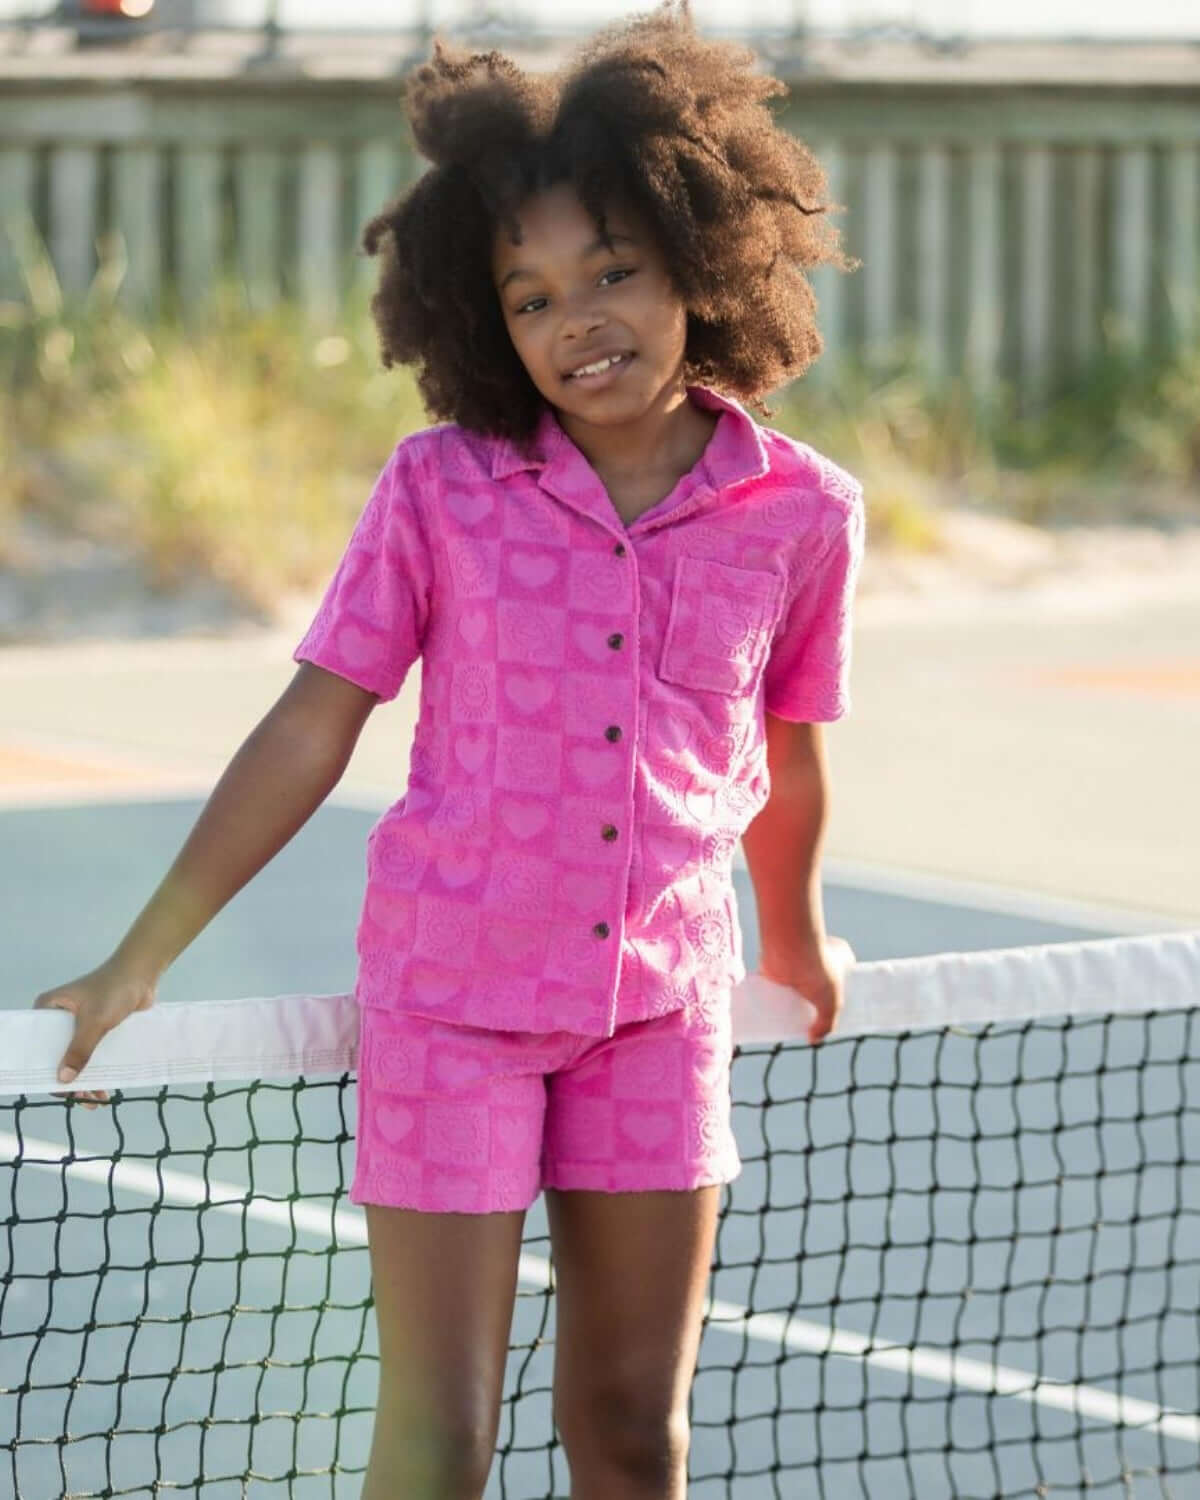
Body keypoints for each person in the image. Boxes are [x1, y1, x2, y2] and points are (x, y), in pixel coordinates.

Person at [34, 3, 865, 1496]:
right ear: (484, 318)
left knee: (630, 1428)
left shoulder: (802, 512)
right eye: (531, 295)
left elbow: (785, 751)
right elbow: (313, 720)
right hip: (450, 1012)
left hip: (657, 1015)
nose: (577, 319)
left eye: (612, 271)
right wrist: (144, 950)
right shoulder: (439, 488)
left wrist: (796, 940)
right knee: (440, 1441)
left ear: (699, 257)